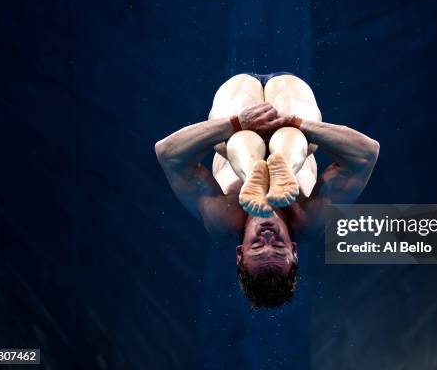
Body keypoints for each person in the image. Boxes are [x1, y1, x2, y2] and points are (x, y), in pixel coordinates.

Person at [155, 73, 379, 308]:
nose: (268, 237)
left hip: (238, 114)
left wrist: (235, 122)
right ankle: (282, 162)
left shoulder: (223, 218)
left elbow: (168, 155)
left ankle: (252, 171)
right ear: (294, 250)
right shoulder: (311, 219)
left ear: (239, 253)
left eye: (257, 246)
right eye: (279, 246)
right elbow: (366, 154)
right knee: (292, 137)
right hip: (290, 115)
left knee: (240, 140)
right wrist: (298, 123)